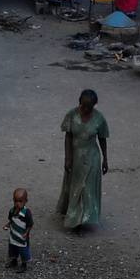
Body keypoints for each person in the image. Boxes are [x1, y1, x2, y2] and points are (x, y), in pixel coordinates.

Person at [57, 89, 110, 231]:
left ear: (95, 105)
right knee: (74, 187)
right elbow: (68, 137)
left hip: (92, 158)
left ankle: (80, 220)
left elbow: (102, 139)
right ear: (79, 102)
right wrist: (68, 158)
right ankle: (74, 216)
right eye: (83, 106)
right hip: (75, 159)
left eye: (89, 107)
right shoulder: (71, 115)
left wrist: (105, 159)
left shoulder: (99, 119)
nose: (86, 109)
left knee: (86, 189)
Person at [6, 187, 33, 272]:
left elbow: (30, 224)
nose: (18, 204)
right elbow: (11, 220)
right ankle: (14, 261)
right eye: (16, 201)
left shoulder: (26, 213)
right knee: (12, 249)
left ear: (25, 201)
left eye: (20, 201)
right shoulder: (12, 211)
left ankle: (24, 264)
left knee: (23, 250)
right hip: (13, 235)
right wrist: (7, 225)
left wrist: (26, 233)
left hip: (22, 237)